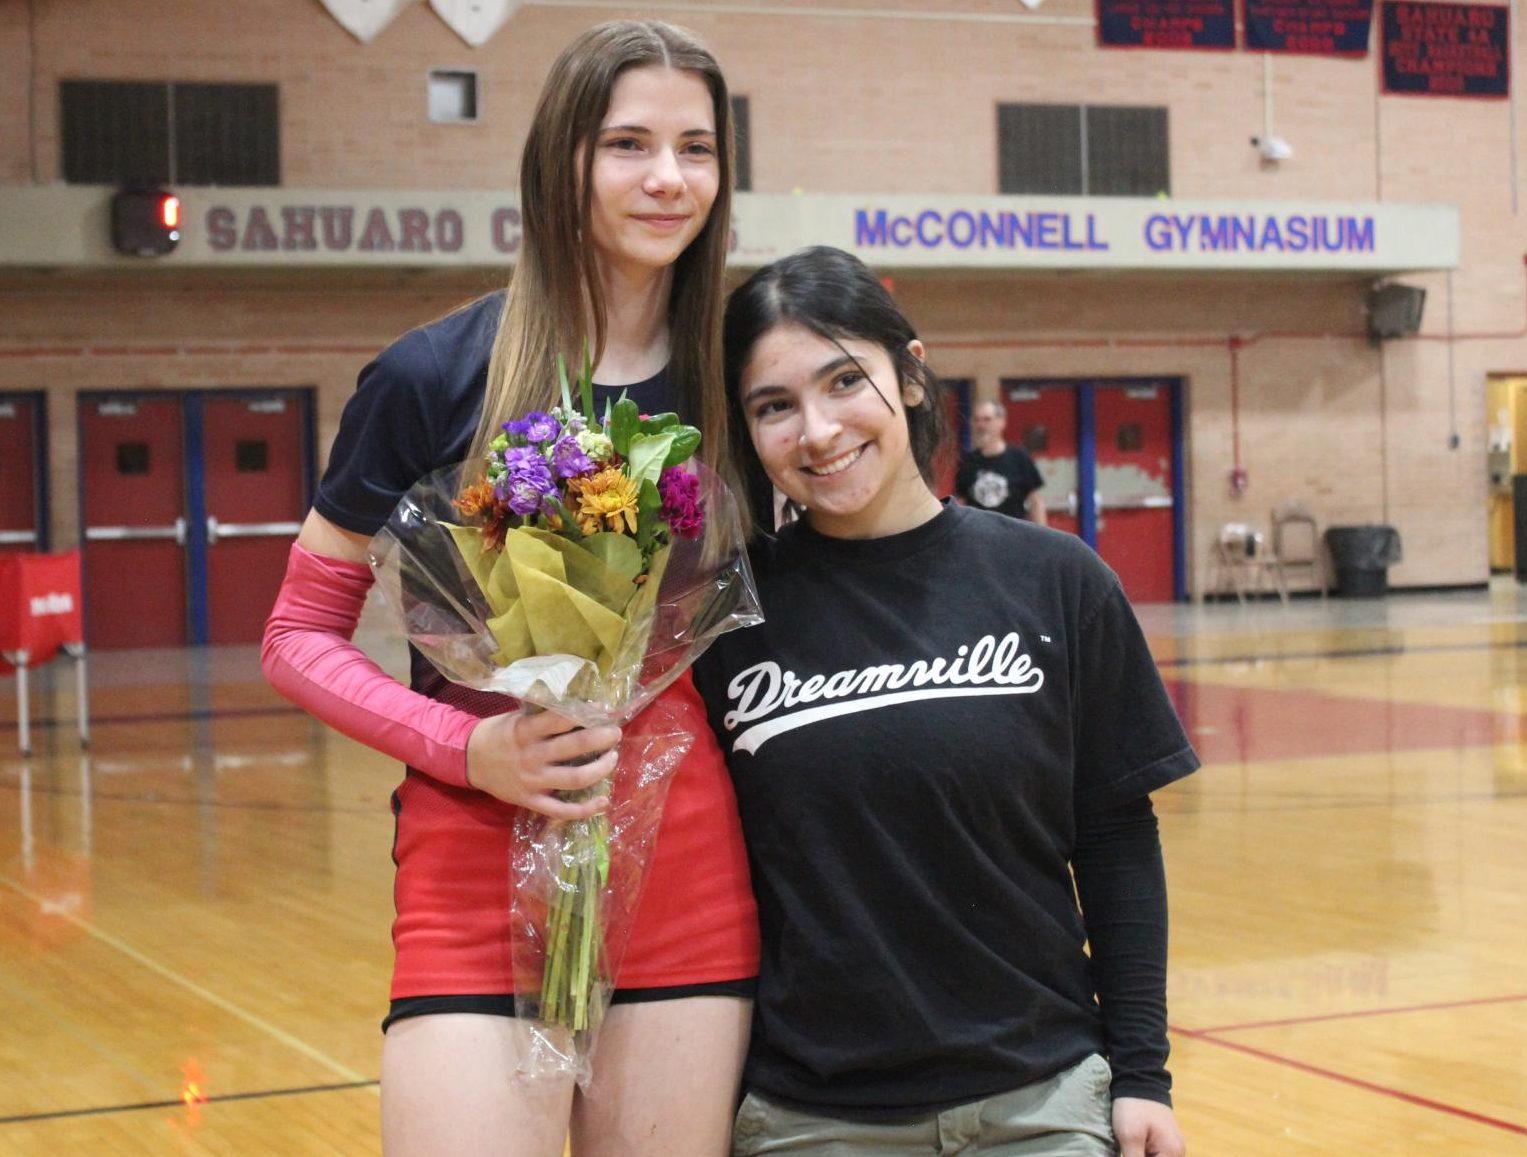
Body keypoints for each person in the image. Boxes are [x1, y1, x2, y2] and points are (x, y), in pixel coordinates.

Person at [260, 21, 757, 1157]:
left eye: (698, 146)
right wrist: (465, 747)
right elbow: (296, 634)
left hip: (688, 864)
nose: (669, 178)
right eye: (628, 143)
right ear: (561, 158)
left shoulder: (741, 367)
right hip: (473, 841)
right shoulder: (434, 371)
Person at [695, 246, 1197, 1157]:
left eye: (845, 380)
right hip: (810, 1119)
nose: (817, 430)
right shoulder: (724, 619)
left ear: (911, 376)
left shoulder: (1056, 581)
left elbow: (1116, 838)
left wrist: (1142, 1074)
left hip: (1040, 1104)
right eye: (774, 405)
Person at [955, 399, 1049, 524]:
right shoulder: (968, 462)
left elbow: (1035, 502)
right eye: (977, 420)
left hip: (1013, 535)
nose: (981, 425)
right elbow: (961, 504)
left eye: (987, 419)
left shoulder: (1019, 457)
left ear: (1001, 422)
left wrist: (1041, 537)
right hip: (979, 536)